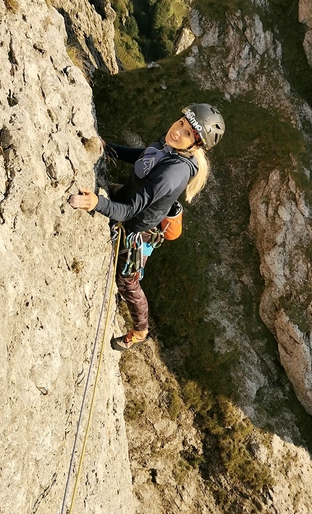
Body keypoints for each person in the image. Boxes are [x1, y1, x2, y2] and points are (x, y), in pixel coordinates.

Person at [69, 103, 225, 350]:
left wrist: (95, 203)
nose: (178, 131)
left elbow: (130, 212)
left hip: (135, 227)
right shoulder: (168, 147)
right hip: (126, 198)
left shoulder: (173, 173)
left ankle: (141, 331)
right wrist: (109, 149)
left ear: (195, 145)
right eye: (182, 123)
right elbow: (142, 156)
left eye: (187, 133)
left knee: (127, 283)